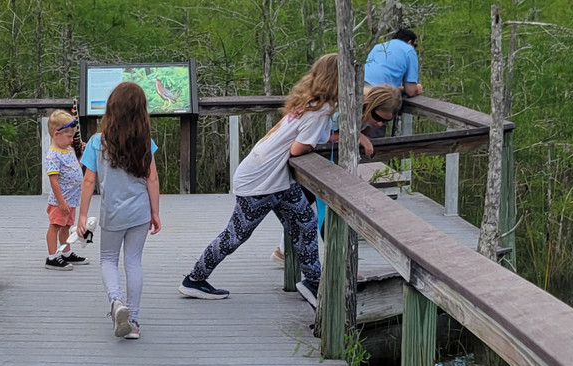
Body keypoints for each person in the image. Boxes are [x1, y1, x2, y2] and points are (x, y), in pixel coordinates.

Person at [177, 53, 373, 301]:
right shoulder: (320, 112)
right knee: (236, 235)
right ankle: (194, 279)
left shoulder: (310, 102)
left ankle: (313, 282)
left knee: (305, 223)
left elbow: (306, 138)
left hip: (275, 178)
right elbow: (298, 148)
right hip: (261, 181)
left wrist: (347, 136)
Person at [271, 85, 403, 266]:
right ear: (368, 106)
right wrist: (353, 136)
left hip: (324, 160)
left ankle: (285, 251)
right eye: (378, 118)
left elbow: (362, 129)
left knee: (306, 204)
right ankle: (292, 253)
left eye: (385, 121)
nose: (380, 123)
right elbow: (316, 135)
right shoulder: (339, 111)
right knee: (307, 204)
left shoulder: (368, 116)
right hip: (300, 155)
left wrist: (362, 133)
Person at [77, 82, 162, 339]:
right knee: (133, 261)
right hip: (139, 212)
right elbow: (152, 179)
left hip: (112, 213)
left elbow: (89, 181)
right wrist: (155, 213)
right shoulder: (145, 142)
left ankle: (116, 302)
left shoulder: (96, 142)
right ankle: (133, 321)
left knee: (108, 259)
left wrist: (82, 215)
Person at [43, 110, 89, 270]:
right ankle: (52, 257)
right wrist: (61, 202)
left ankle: (66, 253)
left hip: (72, 199)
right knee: (55, 226)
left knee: (66, 227)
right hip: (60, 201)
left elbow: (75, 167)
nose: (71, 140)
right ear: (56, 134)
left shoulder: (67, 150)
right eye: (69, 137)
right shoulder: (53, 155)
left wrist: (82, 155)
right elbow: (53, 181)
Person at [364, 29, 422, 98]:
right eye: (414, 45)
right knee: (395, 102)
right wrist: (417, 88)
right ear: (410, 42)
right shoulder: (409, 50)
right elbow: (410, 91)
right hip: (378, 94)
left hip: (361, 87)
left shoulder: (378, 46)